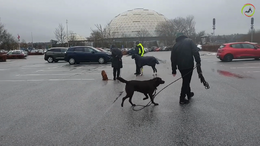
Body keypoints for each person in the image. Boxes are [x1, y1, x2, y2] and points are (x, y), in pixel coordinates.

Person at [171, 33, 201, 104]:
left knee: (186, 80)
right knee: (186, 81)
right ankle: (182, 98)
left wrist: (174, 70)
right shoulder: (189, 41)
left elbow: (173, 58)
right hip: (189, 65)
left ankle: (188, 94)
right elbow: (195, 51)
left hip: (181, 67)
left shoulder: (175, 45)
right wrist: (198, 61)